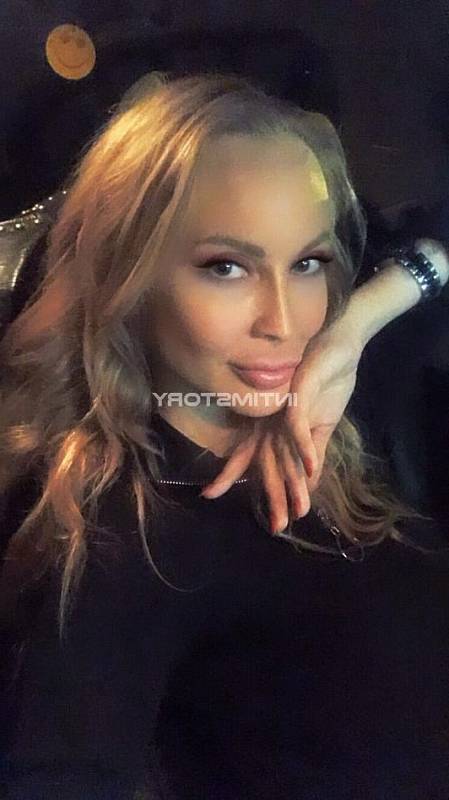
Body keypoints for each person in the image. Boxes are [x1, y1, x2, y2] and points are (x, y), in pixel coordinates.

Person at [1, 71, 449, 799]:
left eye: (307, 263)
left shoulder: (334, 387)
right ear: (130, 276)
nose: (283, 321)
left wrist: (359, 322)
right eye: (227, 268)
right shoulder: (124, 535)